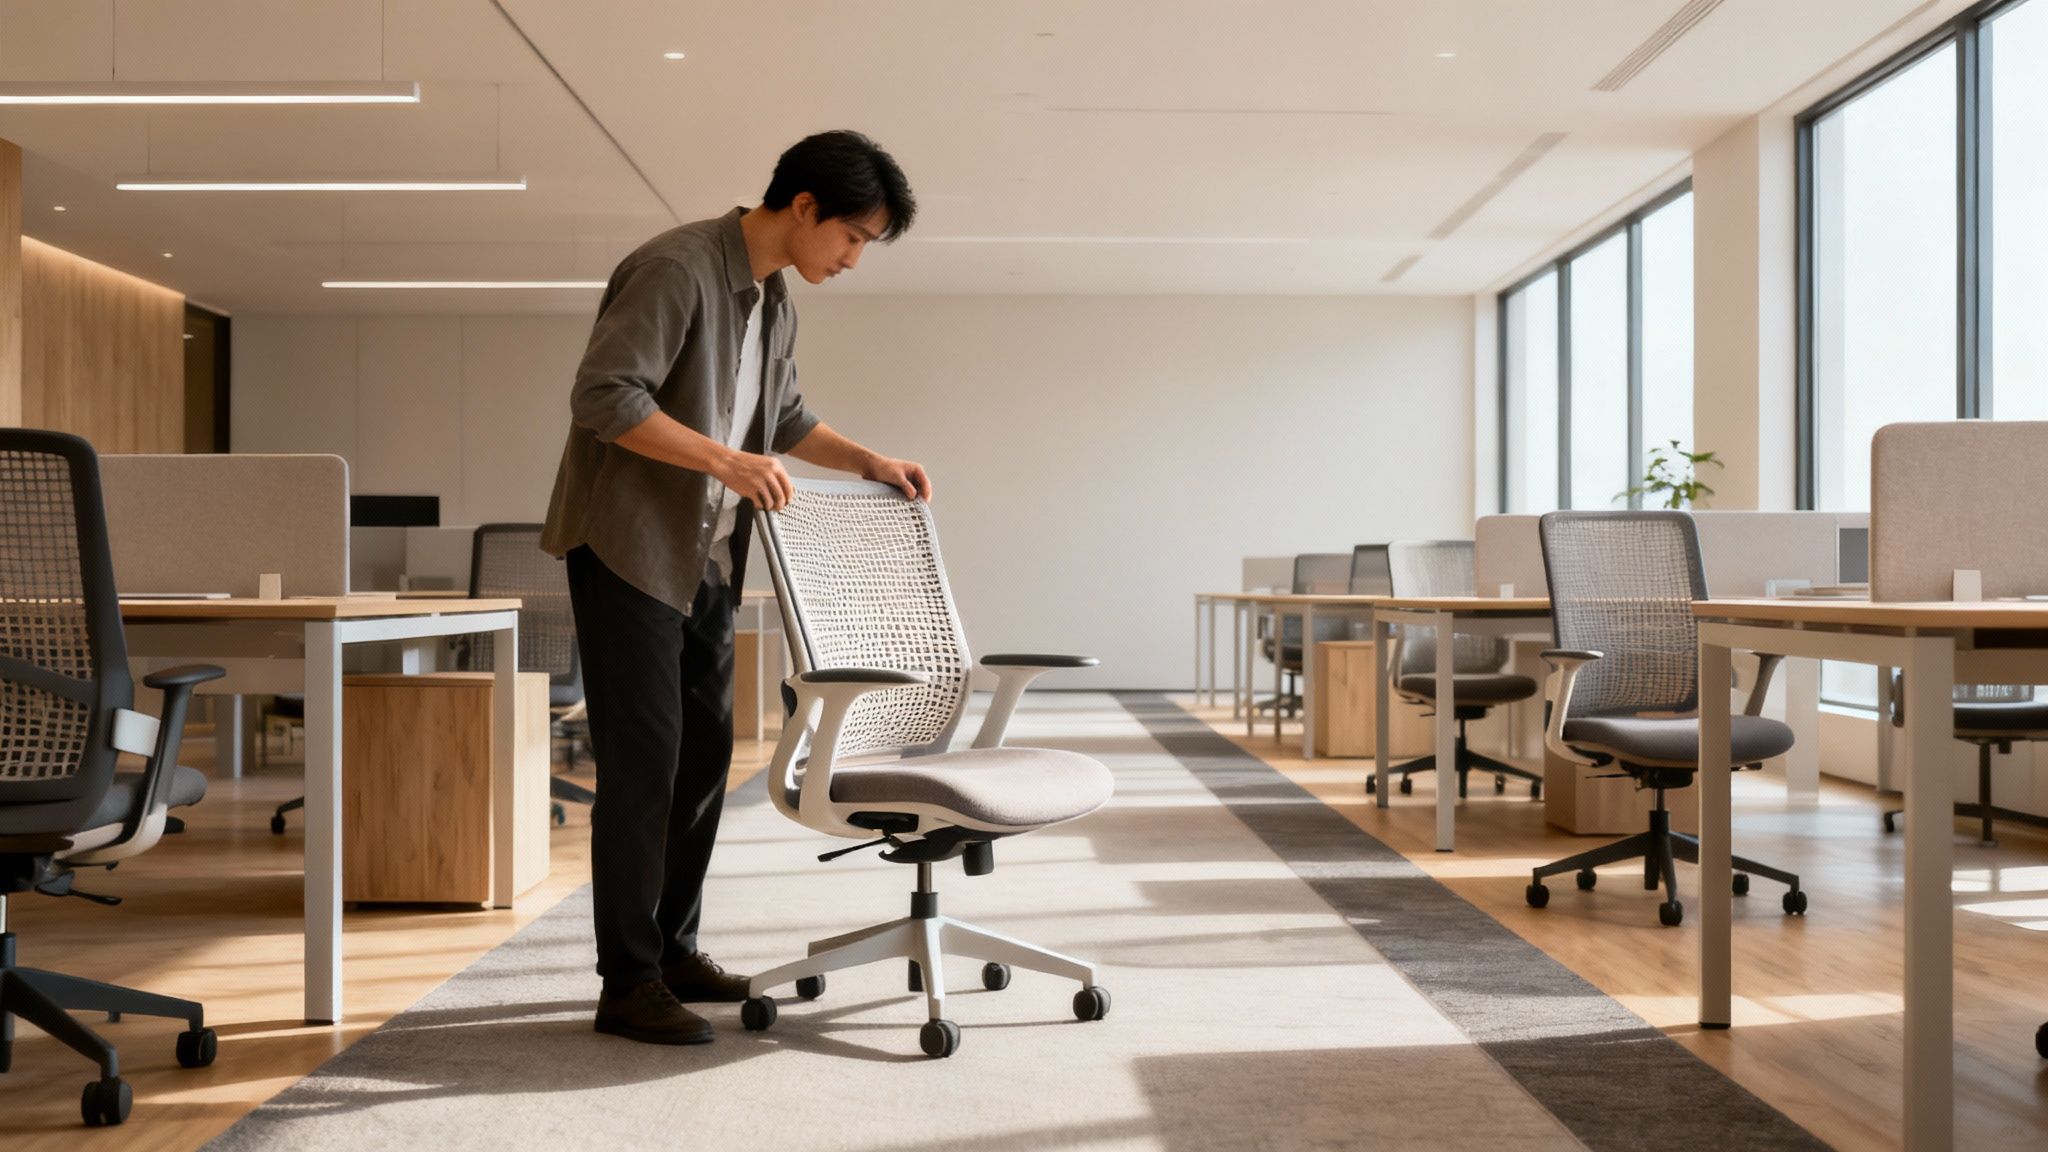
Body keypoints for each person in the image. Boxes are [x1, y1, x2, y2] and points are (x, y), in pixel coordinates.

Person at [540, 130, 933, 1045]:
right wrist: (726, 458)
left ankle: (673, 949)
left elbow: (783, 416)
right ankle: (626, 981)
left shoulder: (772, 297)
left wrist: (868, 460)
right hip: (631, 548)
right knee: (645, 764)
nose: (852, 258)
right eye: (854, 238)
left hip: (706, 555)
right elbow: (606, 397)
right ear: (805, 207)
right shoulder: (677, 268)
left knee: (707, 755)